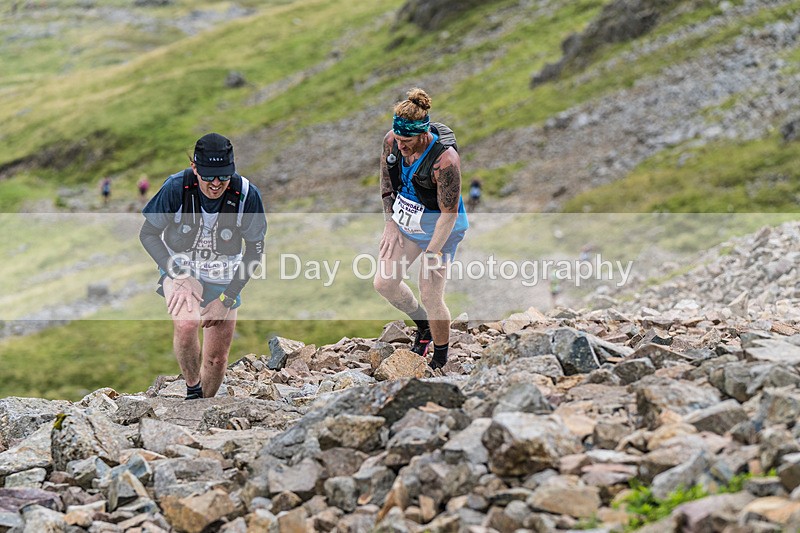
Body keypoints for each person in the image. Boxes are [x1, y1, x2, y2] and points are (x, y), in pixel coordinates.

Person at [139, 133, 267, 399]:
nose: (216, 184)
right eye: (208, 176)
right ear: (195, 168)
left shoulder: (247, 195)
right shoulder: (176, 187)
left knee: (217, 359)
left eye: (223, 176)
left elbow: (254, 250)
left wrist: (227, 298)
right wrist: (178, 274)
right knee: (187, 324)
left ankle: (203, 406)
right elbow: (148, 234)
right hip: (181, 267)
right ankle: (192, 389)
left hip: (225, 275)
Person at [374, 88, 469, 371]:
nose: (400, 146)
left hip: (441, 229)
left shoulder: (445, 161)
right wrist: (390, 222)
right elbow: (386, 183)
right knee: (384, 283)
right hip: (407, 222)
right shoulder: (391, 141)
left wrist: (432, 253)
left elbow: (449, 214)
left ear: (423, 134)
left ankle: (440, 360)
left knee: (430, 294)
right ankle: (423, 325)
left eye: (407, 141)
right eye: (398, 139)